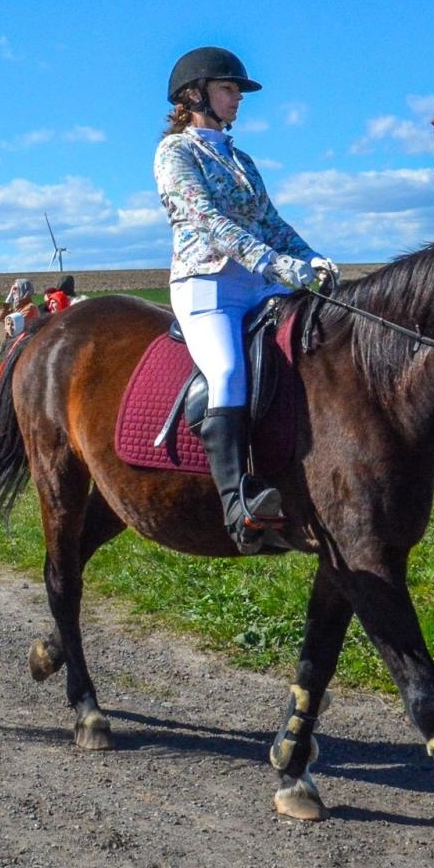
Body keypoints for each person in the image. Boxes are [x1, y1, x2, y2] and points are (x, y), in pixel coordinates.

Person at [154, 46, 338, 553]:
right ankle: (238, 504)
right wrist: (276, 264)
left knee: (324, 339)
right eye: (229, 89)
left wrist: (311, 256)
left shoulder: (241, 159)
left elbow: (272, 223)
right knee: (228, 372)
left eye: (237, 91)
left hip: (260, 282)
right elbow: (207, 221)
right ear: (196, 95)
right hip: (208, 284)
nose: (237, 98)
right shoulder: (175, 153)